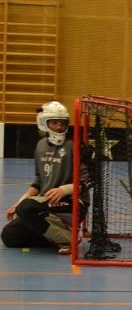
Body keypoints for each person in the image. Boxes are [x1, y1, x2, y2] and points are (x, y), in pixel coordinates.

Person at [1, 101, 90, 255]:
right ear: (43, 123)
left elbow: (88, 181)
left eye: (62, 123)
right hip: (46, 204)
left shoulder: (75, 145)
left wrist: (64, 190)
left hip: (73, 203)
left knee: (27, 208)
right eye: (54, 123)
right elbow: (39, 181)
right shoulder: (41, 145)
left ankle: (68, 239)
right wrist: (20, 201)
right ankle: (60, 233)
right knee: (10, 236)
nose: (59, 127)